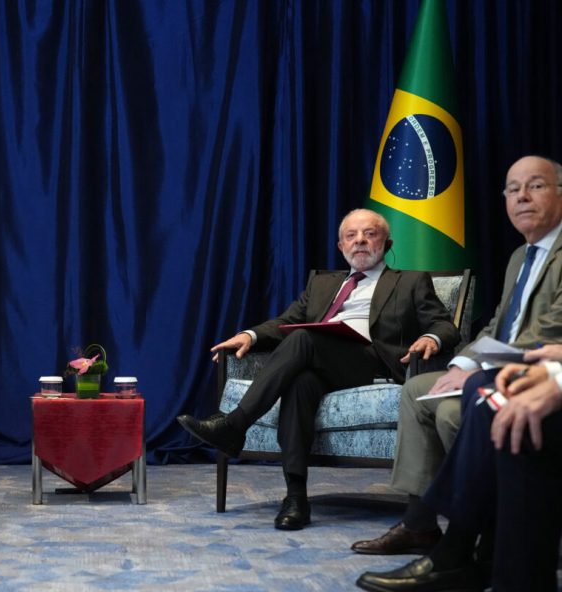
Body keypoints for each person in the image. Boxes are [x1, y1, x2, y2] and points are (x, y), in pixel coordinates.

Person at [177, 208, 460, 530]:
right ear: (341, 246)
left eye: (370, 234)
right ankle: (296, 497)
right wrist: (250, 335)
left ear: (387, 243)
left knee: (301, 338)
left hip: (373, 364)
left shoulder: (409, 281)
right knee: (300, 382)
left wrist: (431, 337)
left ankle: (234, 424)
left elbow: (444, 325)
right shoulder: (323, 284)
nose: (360, 241)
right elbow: (286, 320)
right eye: (351, 236)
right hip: (323, 362)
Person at [351, 155, 562, 556]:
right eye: (512, 189)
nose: (522, 196)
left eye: (535, 186)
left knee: (451, 412)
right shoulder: (521, 257)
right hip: (501, 368)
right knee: (417, 390)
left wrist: (484, 366)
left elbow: (549, 333)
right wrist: (462, 364)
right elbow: (498, 324)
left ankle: (484, 529)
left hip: (542, 373)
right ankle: (420, 524)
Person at [355, 351, 562, 592]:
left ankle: (460, 551)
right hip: (515, 366)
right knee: (424, 389)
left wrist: (554, 378)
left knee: (478, 402)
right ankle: (421, 526)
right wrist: (465, 366)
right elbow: (497, 333)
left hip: (531, 369)